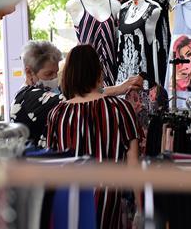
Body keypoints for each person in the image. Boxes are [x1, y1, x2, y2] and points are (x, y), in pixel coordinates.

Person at [46, 45, 141, 229]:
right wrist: (141, 209)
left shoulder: (57, 114)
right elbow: (134, 164)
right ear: (98, 72)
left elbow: (52, 166)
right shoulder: (120, 109)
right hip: (108, 202)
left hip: (69, 202)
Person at [11, 41, 143, 148]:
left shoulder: (45, 94)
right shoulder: (27, 98)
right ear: (29, 72)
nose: (54, 78)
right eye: (48, 74)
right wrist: (118, 89)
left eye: (56, 72)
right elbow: (80, 97)